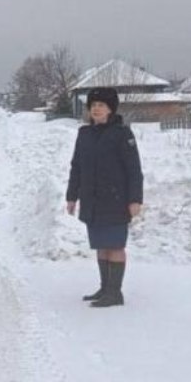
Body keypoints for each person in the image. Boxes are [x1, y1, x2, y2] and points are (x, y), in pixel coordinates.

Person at [65, 87, 143, 307]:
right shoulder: (84, 134)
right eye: (93, 105)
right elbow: (76, 167)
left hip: (116, 199)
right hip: (92, 200)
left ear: (110, 109)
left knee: (115, 245)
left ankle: (115, 293)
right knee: (101, 244)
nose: (96, 109)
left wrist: (135, 199)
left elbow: (134, 169)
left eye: (101, 105)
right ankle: (105, 288)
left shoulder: (122, 134)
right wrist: (72, 196)